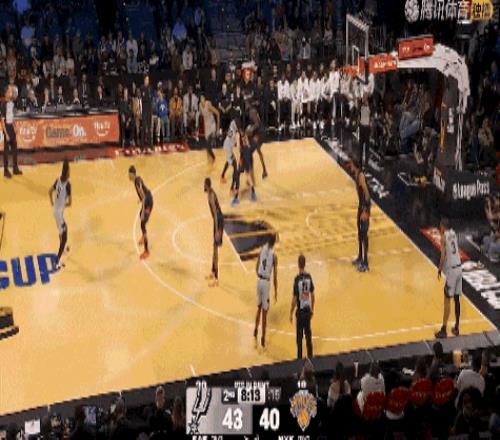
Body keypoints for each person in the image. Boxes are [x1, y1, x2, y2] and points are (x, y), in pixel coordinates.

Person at [435, 217, 462, 338]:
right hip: (459, 268)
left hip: (451, 271)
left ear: (443, 227)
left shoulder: (443, 237)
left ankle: (444, 329)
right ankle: (456, 327)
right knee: (457, 299)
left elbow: (443, 256)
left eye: (440, 226)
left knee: (447, 299)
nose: (439, 228)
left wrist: (440, 269)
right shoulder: (454, 233)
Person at [254, 234, 278, 348]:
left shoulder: (262, 249)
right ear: (274, 243)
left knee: (258, 308)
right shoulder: (274, 256)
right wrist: (276, 291)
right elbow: (275, 277)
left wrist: (260, 275)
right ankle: (263, 338)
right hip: (266, 283)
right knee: (265, 312)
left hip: (259, 280)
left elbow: (256, 266)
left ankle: (255, 330)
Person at [290, 254, 315, 359]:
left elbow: (295, 299)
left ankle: (299, 361)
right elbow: (313, 295)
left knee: (299, 339)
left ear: (298, 264)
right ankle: (311, 358)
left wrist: (291, 312)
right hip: (307, 311)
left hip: (300, 313)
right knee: (308, 337)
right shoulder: (309, 277)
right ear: (305, 264)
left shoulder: (297, 279)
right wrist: (312, 309)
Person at [49, 159, 71, 270]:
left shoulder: (57, 180)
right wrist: (63, 205)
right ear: (67, 173)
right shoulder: (68, 185)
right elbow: (70, 203)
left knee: (61, 231)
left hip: (55, 211)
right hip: (59, 215)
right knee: (65, 236)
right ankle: (57, 262)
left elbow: (49, 191)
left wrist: (53, 203)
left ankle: (65, 248)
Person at [129, 166, 153, 259]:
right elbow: (143, 192)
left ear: (132, 174)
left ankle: (146, 251)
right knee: (140, 216)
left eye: (129, 175)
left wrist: (143, 206)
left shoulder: (137, 182)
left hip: (148, 202)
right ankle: (143, 235)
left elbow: (142, 193)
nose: (128, 177)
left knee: (142, 223)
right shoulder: (137, 179)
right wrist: (141, 199)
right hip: (147, 199)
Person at [351, 159, 370, 272]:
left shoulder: (361, 176)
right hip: (361, 205)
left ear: (355, 165)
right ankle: (360, 257)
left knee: (364, 233)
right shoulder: (356, 175)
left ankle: (366, 263)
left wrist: (366, 210)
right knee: (359, 231)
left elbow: (366, 193)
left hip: (365, 207)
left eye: (352, 165)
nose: (351, 166)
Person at [204, 178, 223, 286]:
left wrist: (216, 230)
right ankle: (213, 271)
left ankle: (216, 278)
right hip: (217, 220)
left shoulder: (211, 196)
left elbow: (215, 214)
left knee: (216, 249)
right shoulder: (210, 193)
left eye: (204, 185)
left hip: (218, 221)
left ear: (206, 185)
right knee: (214, 247)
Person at [1, 85, 21, 178]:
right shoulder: (3, 104)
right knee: (6, 150)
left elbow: (11, 116)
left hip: (12, 127)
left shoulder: (11, 103)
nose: (11, 93)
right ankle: (5, 170)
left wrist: (15, 126)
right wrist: (6, 133)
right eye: (10, 91)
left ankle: (15, 168)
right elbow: (2, 120)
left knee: (15, 149)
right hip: (7, 127)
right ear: (6, 93)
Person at [199, 95, 220, 163]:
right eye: (201, 99)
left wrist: (218, 128)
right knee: (208, 148)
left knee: (208, 145)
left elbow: (218, 113)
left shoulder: (208, 105)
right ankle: (209, 163)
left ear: (205, 99)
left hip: (212, 125)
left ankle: (213, 158)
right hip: (207, 126)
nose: (202, 100)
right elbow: (202, 115)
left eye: (203, 99)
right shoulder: (200, 106)